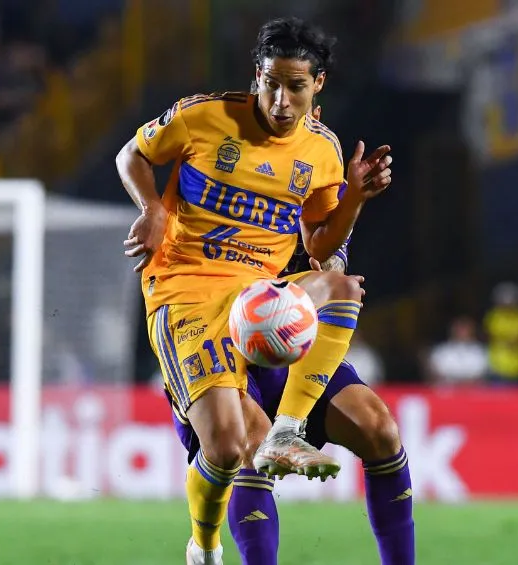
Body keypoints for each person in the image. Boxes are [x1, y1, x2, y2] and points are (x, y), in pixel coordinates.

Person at [115, 17, 393, 565]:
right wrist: (150, 209)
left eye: (296, 86)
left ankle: (287, 430)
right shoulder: (202, 116)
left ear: (318, 87)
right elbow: (133, 155)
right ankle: (204, 543)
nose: (281, 100)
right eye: (271, 83)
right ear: (255, 76)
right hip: (183, 290)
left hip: (257, 299)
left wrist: (354, 198)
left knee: (339, 286)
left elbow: (317, 245)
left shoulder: (323, 151)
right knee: (224, 447)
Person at [169, 106, 415, 565]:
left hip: (286, 339)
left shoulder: (319, 169)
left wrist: (354, 199)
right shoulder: (225, 150)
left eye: (301, 94)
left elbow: (329, 262)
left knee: (379, 428)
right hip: (217, 328)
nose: (289, 110)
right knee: (246, 446)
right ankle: (207, 543)